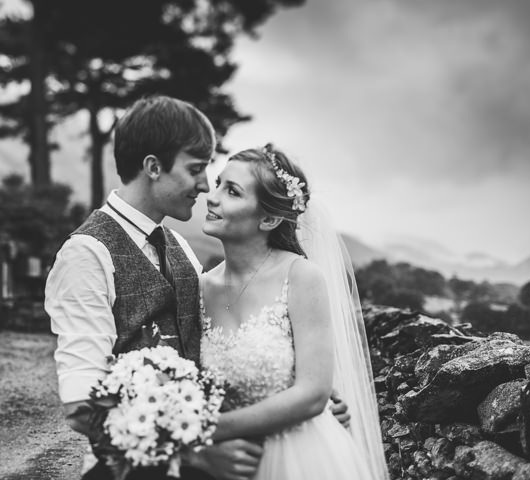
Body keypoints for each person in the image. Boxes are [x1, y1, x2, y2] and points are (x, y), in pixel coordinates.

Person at [46, 95, 350, 480]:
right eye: (197, 170)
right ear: (154, 167)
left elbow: (207, 356)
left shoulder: (183, 253)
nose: (206, 187)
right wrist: (192, 453)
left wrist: (309, 397)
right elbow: (82, 406)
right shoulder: (85, 254)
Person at [195, 144, 389, 479]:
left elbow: (313, 394)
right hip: (228, 462)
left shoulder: (301, 277)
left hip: (299, 457)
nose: (212, 198)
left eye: (232, 191)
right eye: (218, 185)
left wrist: (206, 429)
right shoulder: (199, 288)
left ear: (268, 219)